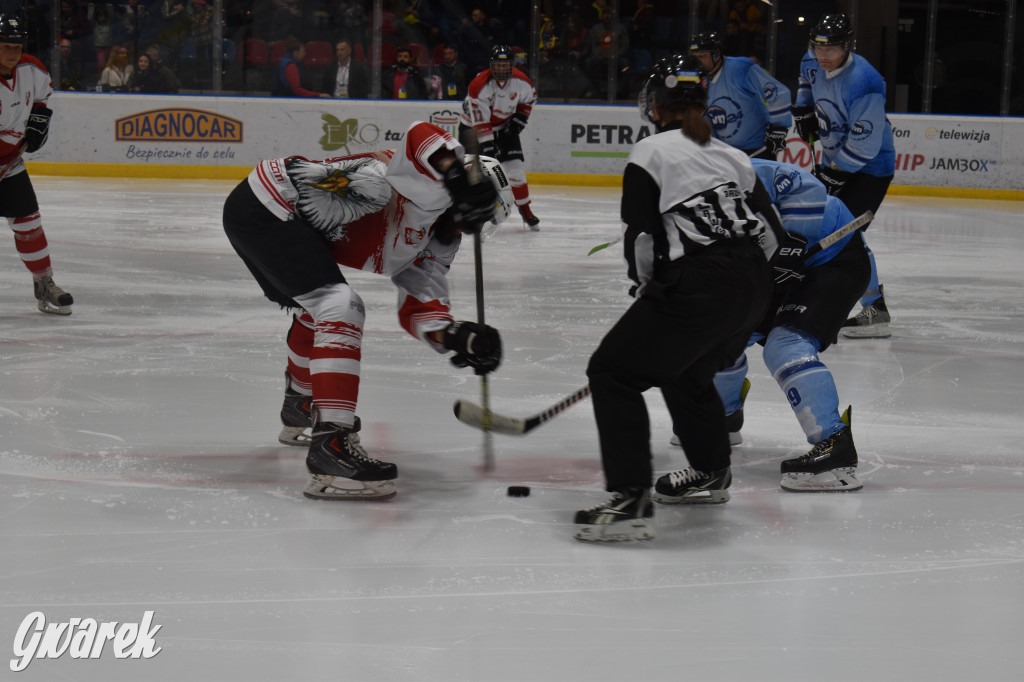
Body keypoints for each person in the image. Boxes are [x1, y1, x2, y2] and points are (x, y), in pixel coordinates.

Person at [221, 120, 515, 500]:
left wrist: (460, 336)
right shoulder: (427, 183)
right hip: (269, 204)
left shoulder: (440, 240)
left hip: (281, 222)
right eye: (476, 214)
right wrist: (457, 178)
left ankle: (300, 404)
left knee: (318, 310)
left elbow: (420, 308)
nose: (468, 226)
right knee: (340, 306)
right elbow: (421, 135)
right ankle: (332, 446)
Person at [573, 54, 783, 543]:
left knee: (612, 372)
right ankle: (710, 471)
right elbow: (773, 236)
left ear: (657, 104)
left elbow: (642, 237)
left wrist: (651, 286)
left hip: (699, 281)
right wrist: (743, 287)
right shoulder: (733, 155)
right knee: (686, 369)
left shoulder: (649, 152)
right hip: (753, 283)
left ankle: (629, 500)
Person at [666, 159, 870, 497]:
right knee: (720, 337)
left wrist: (789, 238)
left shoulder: (735, 170)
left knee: (785, 345)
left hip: (832, 260)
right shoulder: (677, 206)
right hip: (770, 270)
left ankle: (835, 448)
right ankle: (725, 419)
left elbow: (806, 189)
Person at [794, 13, 896, 338]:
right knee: (830, 230)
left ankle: (875, 309)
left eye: (831, 49)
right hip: (836, 162)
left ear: (847, 45)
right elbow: (805, 80)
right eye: (818, 47)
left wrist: (834, 174)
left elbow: (865, 145)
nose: (822, 56)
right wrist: (803, 109)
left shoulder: (865, 82)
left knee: (847, 234)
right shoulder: (813, 59)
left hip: (871, 168)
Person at [0, 14, 75, 315]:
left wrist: (38, 119)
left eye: (17, 47)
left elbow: (41, 99)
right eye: (5, 46)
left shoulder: (32, 68)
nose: (13, 53)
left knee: (29, 224)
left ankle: (45, 284)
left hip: (10, 165)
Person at [459, 44, 539, 230]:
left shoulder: (522, 81)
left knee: (516, 170)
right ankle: (477, 213)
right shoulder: (479, 85)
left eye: (505, 65)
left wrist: (520, 119)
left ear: (512, 65)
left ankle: (526, 210)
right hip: (472, 129)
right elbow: (481, 121)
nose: (501, 69)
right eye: (498, 65)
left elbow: (529, 100)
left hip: (504, 127)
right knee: (477, 175)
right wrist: (487, 145)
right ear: (491, 66)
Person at [689, 31, 791, 159]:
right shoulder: (698, 80)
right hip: (727, 155)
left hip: (758, 151)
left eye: (702, 56)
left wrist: (778, 129)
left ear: (716, 56)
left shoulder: (740, 68)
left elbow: (779, 93)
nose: (697, 62)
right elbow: (705, 118)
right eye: (694, 57)